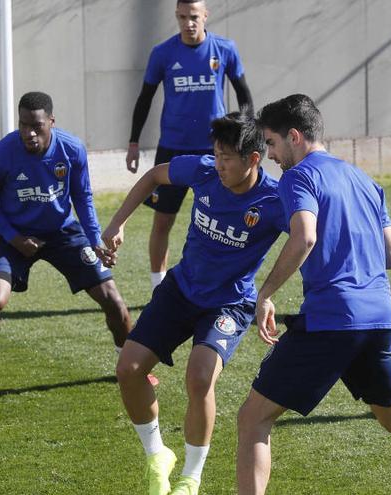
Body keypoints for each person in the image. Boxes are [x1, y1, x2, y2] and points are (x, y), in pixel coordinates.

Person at [235, 94, 391, 495]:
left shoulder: (299, 177)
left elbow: (304, 236)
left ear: (294, 137)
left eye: (270, 143)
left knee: (253, 418)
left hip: (331, 319)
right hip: (378, 317)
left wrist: (265, 293)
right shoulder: (364, 180)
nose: (269, 154)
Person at [104, 113, 286, 495]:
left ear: (254, 159)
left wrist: (268, 294)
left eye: (227, 158)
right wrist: (118, 222)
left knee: (200, 377)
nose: (218, 164)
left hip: (229, 304)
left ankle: (191, 477)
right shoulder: (203, 171)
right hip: (181, 289)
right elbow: (155, 175)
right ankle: (157, 455)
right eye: (216, 154)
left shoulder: (274, 201)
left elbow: (308, 235)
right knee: (128, 369)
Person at [0, 91, 142, 397]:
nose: (29, 132)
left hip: (62, 232)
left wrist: (95, 240)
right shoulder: (1, 153)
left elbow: (82, 196)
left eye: (37, 125)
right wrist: (13, 236)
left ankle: (128, 367)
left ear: (51, 122)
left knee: (114, 301)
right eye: (23, 124)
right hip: (13, 234)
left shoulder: (71, 149)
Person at [125, 0, 253, 291]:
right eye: (182, 17)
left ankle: (224, 280)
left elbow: (244, 96)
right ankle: (159, 285)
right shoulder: (163, 53)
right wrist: (133, 142)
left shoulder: (225, 49)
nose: (188, 23)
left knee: (225, 218)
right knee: (163, 220)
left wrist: (245, 139)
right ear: (177, 17)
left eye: (194, 17)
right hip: (173, 147)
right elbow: (144, 99)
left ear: (205, 15)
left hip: (216, 150)